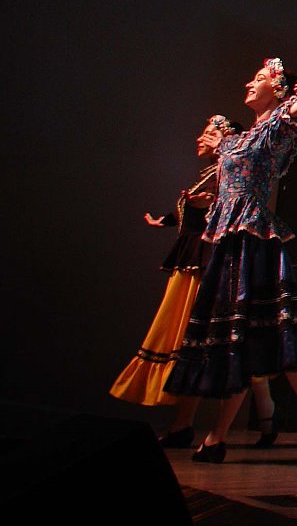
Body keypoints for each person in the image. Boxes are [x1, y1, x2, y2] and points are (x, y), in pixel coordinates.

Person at [165, 61, 297, 463]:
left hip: (254, 241)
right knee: (240, 337)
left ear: (277, 91)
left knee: (268, 333)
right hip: (227, 242)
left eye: (259, 79)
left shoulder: (276, 125)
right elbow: (223, 180)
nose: (249, 83)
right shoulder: (236, 140)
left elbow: (296, 115)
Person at [113, 114, 278, 445]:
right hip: (191, 264)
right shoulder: (212, 174)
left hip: (209, 265)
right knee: (191, 342)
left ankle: (237, 421)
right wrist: (167, 219)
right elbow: (195, 212)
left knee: (201, 341)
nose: (200, 139)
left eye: (207, 134)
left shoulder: (230, 175)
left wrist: (212, 204)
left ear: (225, 139)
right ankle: (204, 422)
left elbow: (233, 210)